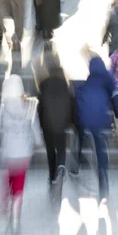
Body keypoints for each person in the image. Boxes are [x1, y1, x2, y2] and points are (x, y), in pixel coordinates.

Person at [0, 75, 44, 234]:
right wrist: (38, 142)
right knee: (19, 185)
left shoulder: (4, 108)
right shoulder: (29, 107)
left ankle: (4, 207)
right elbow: (35, 129)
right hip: (24, 154)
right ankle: (15, 215)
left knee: (6, 180)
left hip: (8, 152)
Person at [71, 53, 118, 201]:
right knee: (101, 148)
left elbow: (80, 96)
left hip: (85, 120)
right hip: (101, 120)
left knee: (81, 135)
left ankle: (77, 160)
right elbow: (116, 98)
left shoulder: (89, 80)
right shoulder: (108, 79)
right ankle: (102, 175)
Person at [35, 47, 76, 185]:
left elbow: (40, 106)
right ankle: (61, 165)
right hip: (61, 122)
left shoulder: (44, 84)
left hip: (47, 123)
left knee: (50, 149)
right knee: (61, 146)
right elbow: (71, 103)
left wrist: (40, 123)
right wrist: (70, 121)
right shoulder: (65, 85)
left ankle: (52, 176)